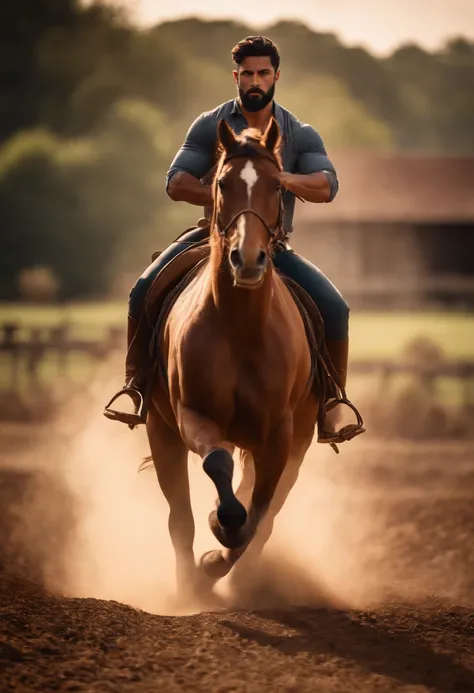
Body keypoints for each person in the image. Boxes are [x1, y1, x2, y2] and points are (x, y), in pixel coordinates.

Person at [103, 35, 365, 445]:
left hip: (273, 248)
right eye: (247, 74)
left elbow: (327, 185)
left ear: (277, 75)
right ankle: (135, 387)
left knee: (335, 306)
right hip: (210, 239)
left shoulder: (298, 133)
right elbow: (175, 182)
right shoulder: (211, 125)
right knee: (141, 290)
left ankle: (333, 403)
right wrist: (234, 193)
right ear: (236, 76)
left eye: (263, 73)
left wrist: (278, 181)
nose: (255, 81)